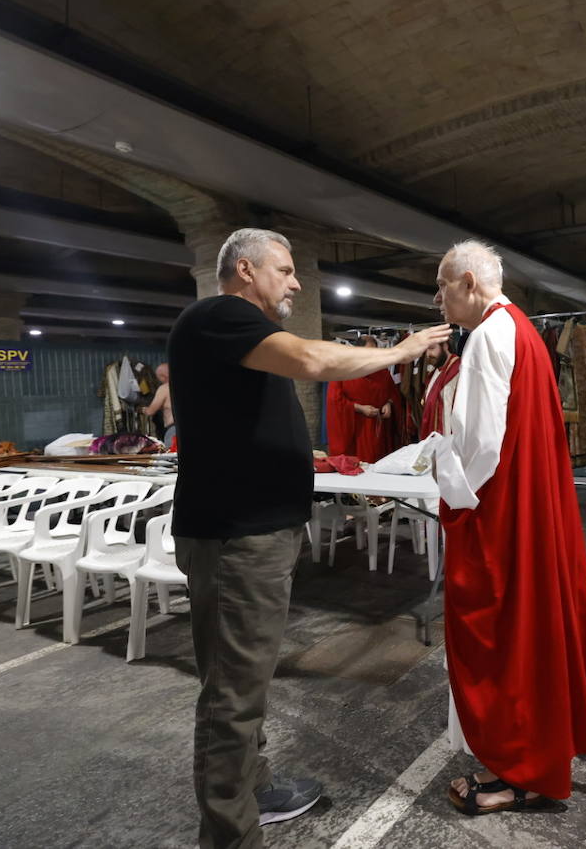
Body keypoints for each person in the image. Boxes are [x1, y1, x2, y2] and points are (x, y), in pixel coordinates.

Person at [168, 227, 449, 849]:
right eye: (286, 269)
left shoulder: (243, 335)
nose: (297, 282)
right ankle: (231, 834)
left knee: (246, 681)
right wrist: (400, 352)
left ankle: (255, 789)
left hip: (254, 533)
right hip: (237, 538)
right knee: (233, 694)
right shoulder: (218, 315)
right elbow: (315, 362)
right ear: (245, 269)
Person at [429, 239, 586, 814]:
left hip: (504, 510)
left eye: (442, 286)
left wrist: (444, 475)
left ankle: (522, 771)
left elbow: (481, 447)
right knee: (539, 621)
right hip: (535, 498)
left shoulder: (487, 336)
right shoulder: (522, 328)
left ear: (468, 282)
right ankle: (553, 737)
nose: (438, 299)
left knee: (507, 633)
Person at [325, 335, 399, 462]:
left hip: (378, 431)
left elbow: (392, 393)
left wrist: (388, 403)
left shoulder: (382, 372)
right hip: (355, 430)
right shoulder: (342, 371)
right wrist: (359, 408)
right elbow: (334, 400)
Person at [418, 337, 461, 438]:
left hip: (448, 442)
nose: (428, 355)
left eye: (431, 348)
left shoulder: (458, 370)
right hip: (433, 440)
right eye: (425, 350)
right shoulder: (435, 371)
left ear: (445, 346)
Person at [141, 362, 175, 447]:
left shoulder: (164, 388)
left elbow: (151, 411)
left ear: (163, 376)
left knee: (173, 454)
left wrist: (143, 409)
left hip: (174, 430)